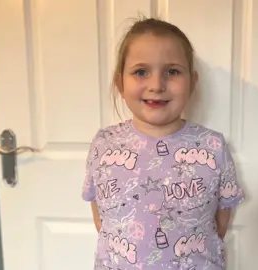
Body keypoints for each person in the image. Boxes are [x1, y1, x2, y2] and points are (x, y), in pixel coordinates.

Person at [81, 17, 245, 270]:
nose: (157, 85)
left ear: (192, 83)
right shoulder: (104, 144)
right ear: (120, 84)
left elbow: (221, 220)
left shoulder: (212, 145)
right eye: (141, 72)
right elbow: (101, 216)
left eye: (172, 71)